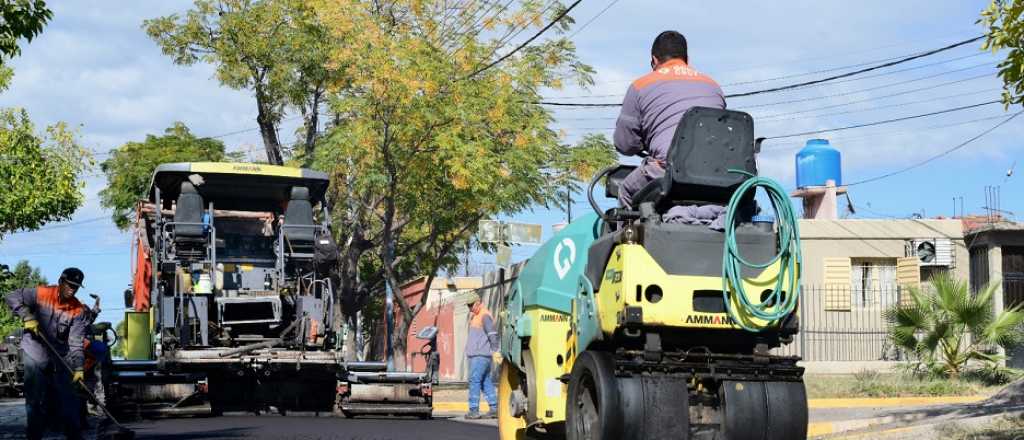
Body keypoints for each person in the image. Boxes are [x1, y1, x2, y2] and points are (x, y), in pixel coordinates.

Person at [614, 30, 727, 208]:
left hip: (666, 171)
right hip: (714, 174)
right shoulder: (713, 86)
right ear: (686, 59)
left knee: (626, 191)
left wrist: (643, 143)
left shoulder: (640, 85)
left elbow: (624, 144)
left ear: (654, 60)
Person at [5, 267, 90, 440]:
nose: (72, 289)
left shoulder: (78, 310)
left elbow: (76, 343)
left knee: (68, 399)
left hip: (59, 357)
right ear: (60, 282)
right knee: (35, 400)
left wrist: (79, 367)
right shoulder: (41, 293)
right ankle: (34, 436)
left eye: (76, 287)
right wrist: (26, 315)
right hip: (35, 352)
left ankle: (74, 436)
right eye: (69, 285)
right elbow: (11, 296)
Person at [464, 293, 500, 419]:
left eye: (471, 305)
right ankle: (494, 408)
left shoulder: (484, 315)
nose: (470, 308)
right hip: (480, 356)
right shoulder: (476, 316)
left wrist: (495, 350)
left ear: (478, 302)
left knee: (474, 381)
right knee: (485, 381)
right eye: (468, 306)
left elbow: (492, 334)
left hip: (480, 356)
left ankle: (473, 410)